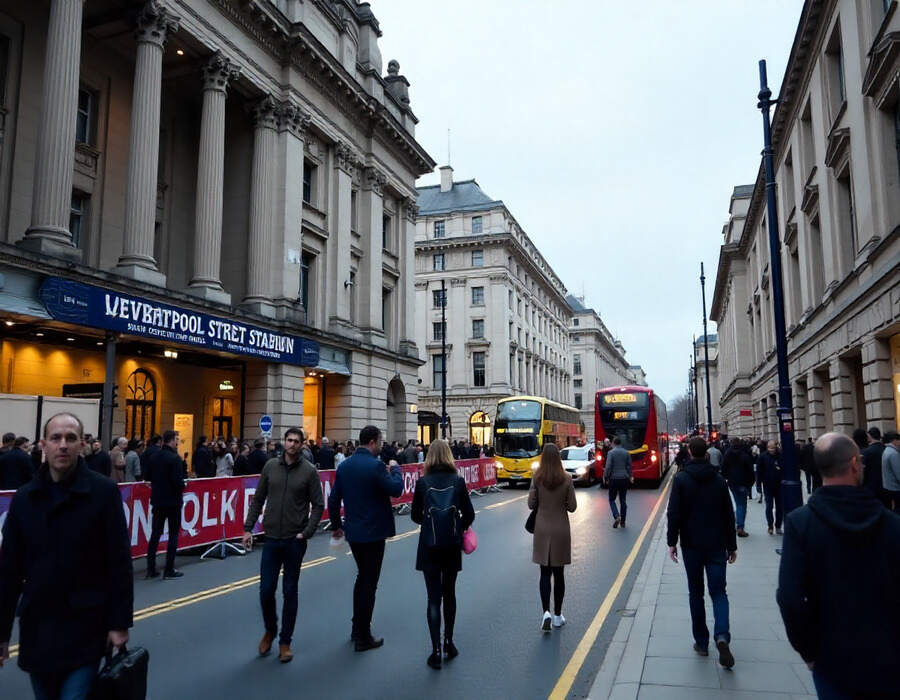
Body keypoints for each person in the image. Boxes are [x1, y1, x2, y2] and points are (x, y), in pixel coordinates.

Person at [0, 413, 133, 697]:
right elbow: (8, 571)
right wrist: (1, 633)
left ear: (82, 444)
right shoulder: (24, 499)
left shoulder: (104, 492)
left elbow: (119, 561)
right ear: (43, 445)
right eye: (56, 438)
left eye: (71, 438)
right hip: (39, 630)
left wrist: (119, 623)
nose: (63, 445)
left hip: (85, 628)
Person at [777, 432, 900, 699]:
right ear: (855, 464)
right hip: (890, 660)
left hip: (832, 660)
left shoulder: (800, 524)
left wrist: (808, 652)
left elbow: (790, 599)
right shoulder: (892, 524)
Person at [242, 427, 324, 663]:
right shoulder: (270, 467)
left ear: (302, 445)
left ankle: (285, 642)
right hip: (271, 538)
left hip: (294, 540)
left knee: (289, 591)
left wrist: (306, 532)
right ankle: (270, 629)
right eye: (289, 440)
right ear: (283, 442)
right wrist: (249, 528)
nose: (292, 444)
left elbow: (318, 505)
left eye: (297, 441)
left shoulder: (309, 472)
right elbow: (258, 499)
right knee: (266, 590)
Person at [328, 425, 402, 652]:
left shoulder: (345, 466)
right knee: (369, 584)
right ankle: (362, 635)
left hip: (354, 532)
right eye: (380, 441)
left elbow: (333, 500)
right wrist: (396, 469)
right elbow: (396, 489)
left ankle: (356, 627)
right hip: (374, 533)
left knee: (362, 579)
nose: (381, 445)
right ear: (372, 442)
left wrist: (337, 526)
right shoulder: (377, 466)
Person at [666, 437, 737, 669]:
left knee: (695, 592)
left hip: (692, 545)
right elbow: (728, 514)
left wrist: (671, 541)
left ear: (688, 452)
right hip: (717, 544)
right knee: (719, 592)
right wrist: (732, 545)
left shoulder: (682, 479)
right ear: (706, 452)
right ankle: (722, 636)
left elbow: (674, 513)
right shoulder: (718, 480)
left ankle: (702, 642)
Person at [410, 439, 475, 669]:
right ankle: (449, 642)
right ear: (449, 455)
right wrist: (459, 526)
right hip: (451, 545)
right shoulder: (457, 482)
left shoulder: (422, 482)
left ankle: (435, 650)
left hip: (429, 544)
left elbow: (415, 516)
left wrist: (430, 522)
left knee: (433, 598)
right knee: (450, 593)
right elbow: (469, 514)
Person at [528, 443, 577, 632]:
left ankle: (545, 612)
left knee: (544, 573)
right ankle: (557, 615)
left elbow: (531, 504)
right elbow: (572, 507)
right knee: (559, 574)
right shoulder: (566, 478)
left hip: (541, 529)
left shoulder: (537, 478)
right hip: (561, 530)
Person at [146, 430, 185, 579]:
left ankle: (151, 568)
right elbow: (177, 482)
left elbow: (148, 476)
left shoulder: (154, 457)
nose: (177, 442)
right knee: (173, 534)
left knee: (156, 533)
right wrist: (182, 485)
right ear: (171, 440)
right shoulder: (175, 459)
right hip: (173, 501)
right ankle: (169, 569)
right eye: (177, 439)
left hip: (158, 499)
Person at [722, 438, 755, 537]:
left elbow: (724, 468)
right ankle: (740, 526)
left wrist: (726, 478)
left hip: (732, 483)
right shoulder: (744, 455)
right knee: (742, 504)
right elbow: (750, 471)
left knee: (737, 503)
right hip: (743, 483)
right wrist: (750, 483)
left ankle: (738, 524)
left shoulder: (728, 454)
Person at [603, 437, 633, 528]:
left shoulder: (611, 453)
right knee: (623, 500)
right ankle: (623, 522)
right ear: (620, 443)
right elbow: (629, 467)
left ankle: (617, 516)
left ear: (613, 443)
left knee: (611, 499)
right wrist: (630, 476)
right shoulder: (626, 453)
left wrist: (605, 477)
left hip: (614, 479)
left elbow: (608, 467)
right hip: (624, 478)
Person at [757, 440, 783, 535]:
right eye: (770, 448)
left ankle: (778, 525)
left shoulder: (780, 456)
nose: (771, 450)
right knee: (769, 506)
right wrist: (758, 484)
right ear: (767, 448)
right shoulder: (763, 457)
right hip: (768, 485)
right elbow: (759, 471)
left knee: (780, 507)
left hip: (779, 485)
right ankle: (770, 525)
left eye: (773, 448)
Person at [861, 427, 889, 508]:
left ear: (869, 437)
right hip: (886, 488)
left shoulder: (866, 452)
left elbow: (863, 472)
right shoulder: (886, 449)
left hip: (871, 489)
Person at [882, 430, 900, 512]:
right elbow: (899, 473)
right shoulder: (893, 454)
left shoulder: (886, 451)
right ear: (894, 440)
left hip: (889, 487)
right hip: (896, 488)